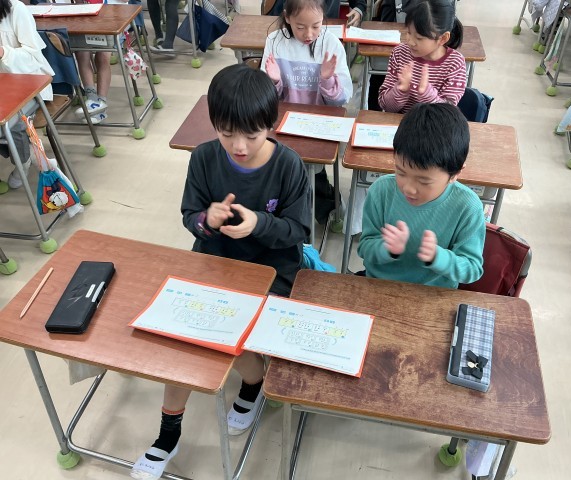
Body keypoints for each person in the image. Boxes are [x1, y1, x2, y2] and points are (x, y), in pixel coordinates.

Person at [130, 64, 311, 480]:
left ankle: (254, 383)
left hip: (272, 268)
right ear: (214, 124)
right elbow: (189, 215)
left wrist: (259, 224)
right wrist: (206, 221)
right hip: (214, 260)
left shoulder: (288, 165)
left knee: (231, 331)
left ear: (271, 125)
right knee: (183, 333)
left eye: (251, 135)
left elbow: (298, 230)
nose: (239, 145)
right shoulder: (205, 158)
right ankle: (169, 433)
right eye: (227, 133)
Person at [357, 102, 485, 289]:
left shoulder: (468, 206)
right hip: (380, 284)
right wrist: (386, 249)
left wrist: (438, 257)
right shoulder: (381, 191)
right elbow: (364, 248)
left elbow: (472, 269)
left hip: (433, 293)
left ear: (455, 174)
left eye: (424, 181)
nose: (409, 188)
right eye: (401, 173)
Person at [261, 0, 352, 224]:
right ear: (287, 17)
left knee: (314, 177)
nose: (309, 34)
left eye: (316, 26)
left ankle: (326, 209)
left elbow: (342, 99)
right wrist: (273, 81)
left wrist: (327, 80)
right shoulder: (275, 41)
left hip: (318, 126)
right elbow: (265, 98)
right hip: (283, 125)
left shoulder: (330, 43)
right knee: (281, 173)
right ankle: (283, 214)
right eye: (300, 27)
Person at [0, 0, 55, 192]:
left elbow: (33, 57)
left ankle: (23, 161)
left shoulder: (17, 10)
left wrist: (3, 52)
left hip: (29, 84)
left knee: (10, 122)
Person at [378, 0, 467, 114]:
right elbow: (385, 106)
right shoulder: (400, 53)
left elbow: (447, 114)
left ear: (443, 38)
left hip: (432, 124)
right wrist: (400, 90)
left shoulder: (455, 63)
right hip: (399, 123)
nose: (410, 42)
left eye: (419, 38)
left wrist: (427, 95)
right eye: (409, 32)